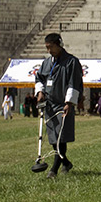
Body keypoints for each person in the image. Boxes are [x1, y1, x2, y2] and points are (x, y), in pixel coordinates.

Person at [35, 33, 83, 179]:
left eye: (51, 47)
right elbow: (39, 78)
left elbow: (73, 83)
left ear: (59, 44)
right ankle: (66, 163)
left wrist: (69, 103)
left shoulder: (71, 62)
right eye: (47, 48)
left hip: (63, 104)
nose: (49, 51)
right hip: (49, 104)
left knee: (61, 136)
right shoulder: (47, 63)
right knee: (53, 138)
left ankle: (53, 170)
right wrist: (40, 92)